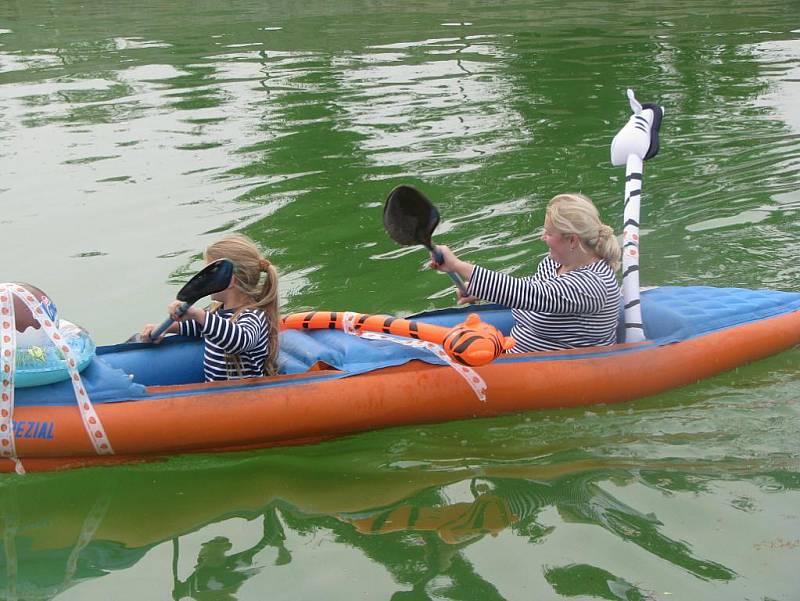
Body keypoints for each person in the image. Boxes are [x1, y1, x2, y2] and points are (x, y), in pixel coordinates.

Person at [430, 193, 621, 353]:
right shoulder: (554, 262)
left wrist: (458, 265)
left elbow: (533, 295)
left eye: (548, 233)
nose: (542, 237)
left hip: (558, 368)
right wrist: (483, 290)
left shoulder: (593, 285)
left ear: (572, 241)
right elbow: (532, 288)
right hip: (516, 350)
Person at [142, 234, 279, 380]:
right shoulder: (218, 312)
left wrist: (198, 314)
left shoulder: (254, 316)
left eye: (210, 275)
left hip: (246, 398)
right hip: (217, 396)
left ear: (230, 281)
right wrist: (167, 328)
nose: (204, 281)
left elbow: (240, 340)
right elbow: (200, 326)